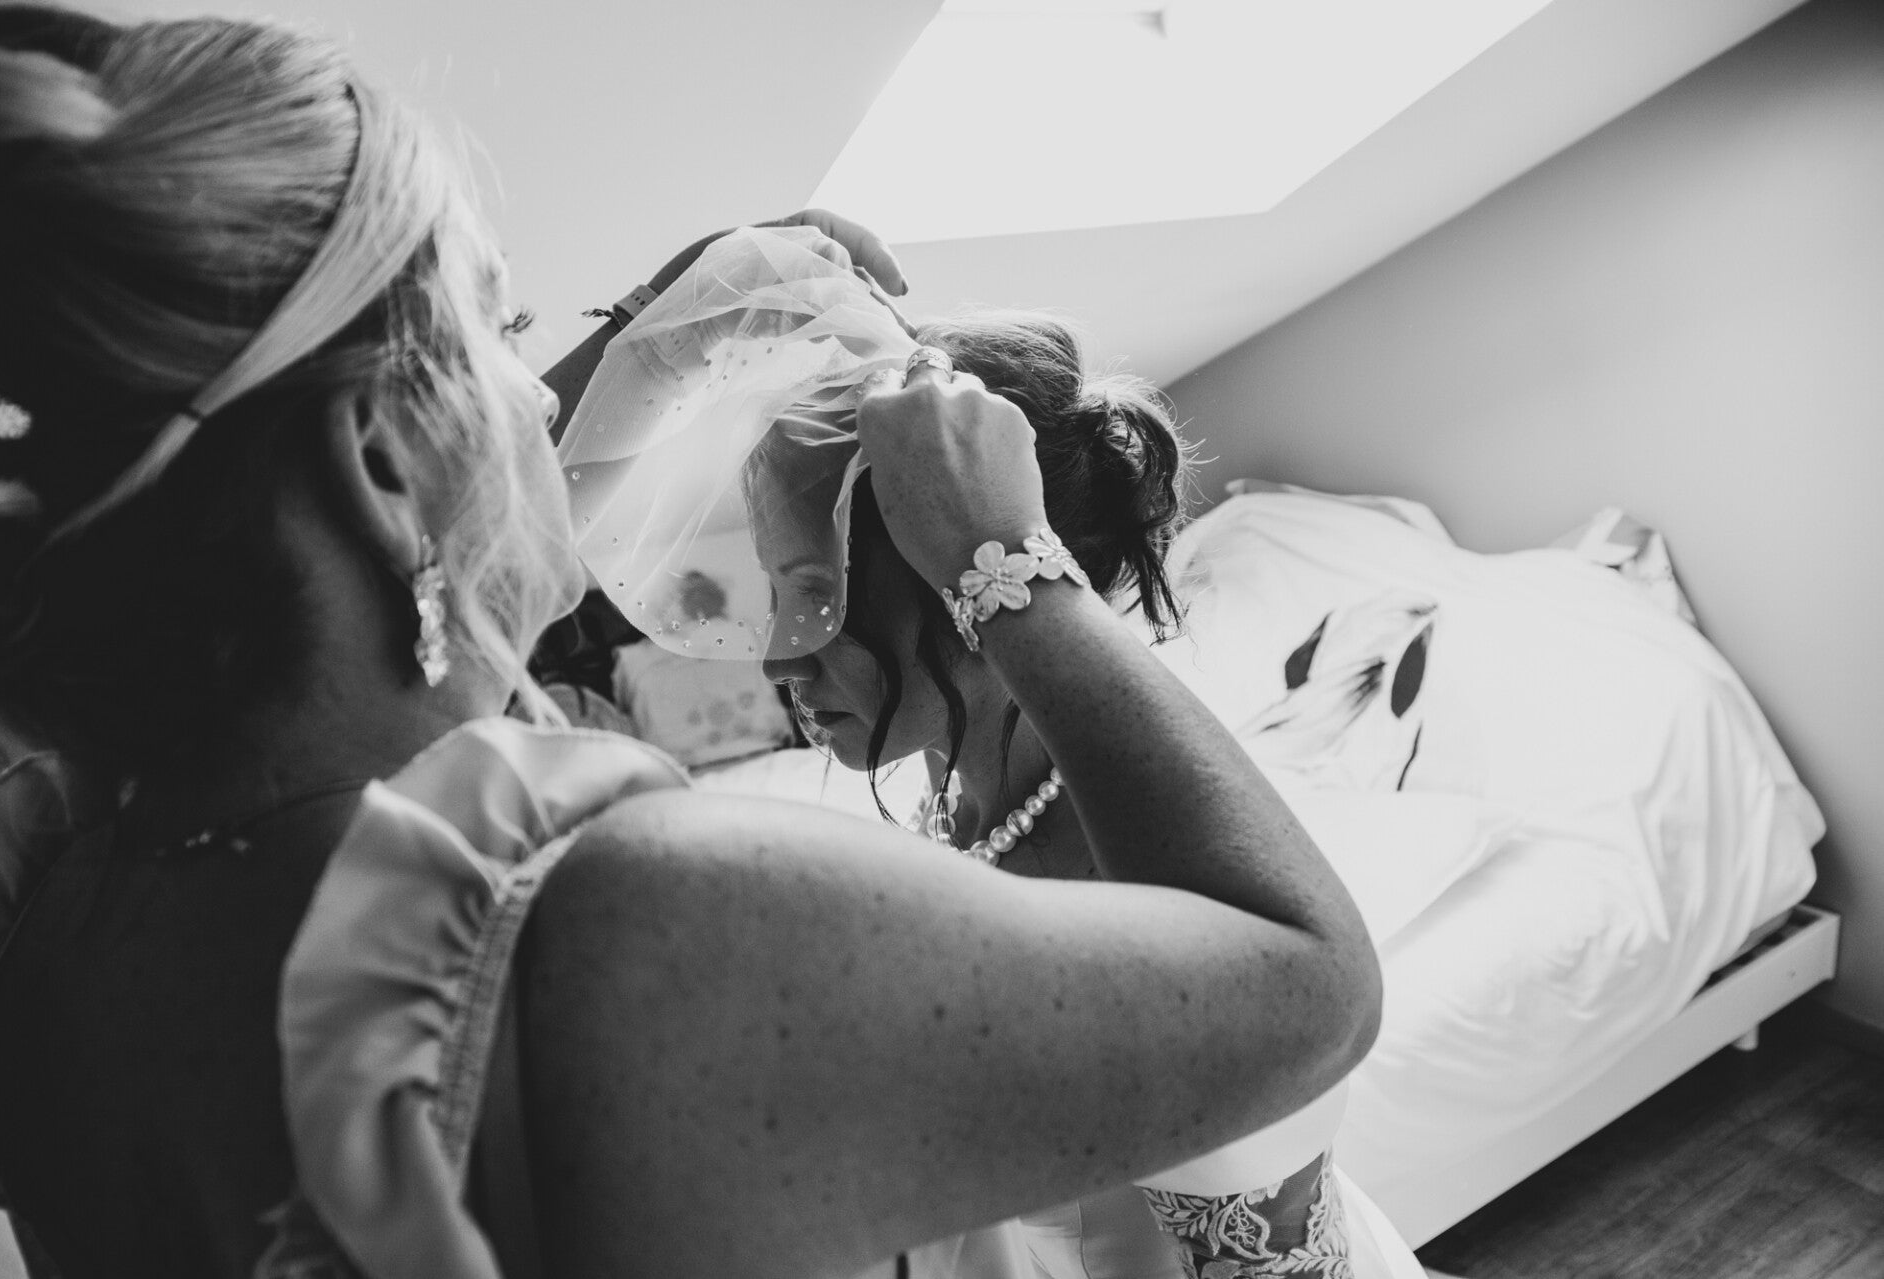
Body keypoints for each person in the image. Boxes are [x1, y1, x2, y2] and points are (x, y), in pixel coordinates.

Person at [0, 9, 1381, 1279]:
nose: (544, 394)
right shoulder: (640, 934)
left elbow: (427, 583)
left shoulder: (52, 957)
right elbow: (1306, 986)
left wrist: (664, 316)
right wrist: (1003, 567)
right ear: (377, 465)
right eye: (499, 329)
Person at [567, 230, 1423, 1279]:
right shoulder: (967, 785)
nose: (779, 656)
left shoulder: (1118, 868)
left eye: (817, 595)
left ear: (953, 575)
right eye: (779, 591)